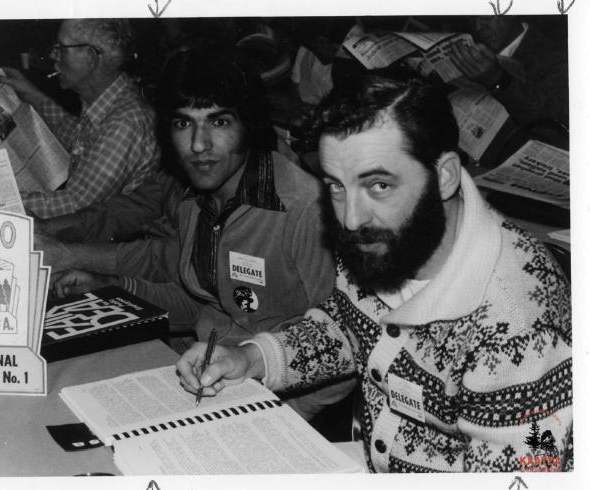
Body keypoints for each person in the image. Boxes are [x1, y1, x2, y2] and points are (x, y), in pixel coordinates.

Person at [177, 74, 572, 472]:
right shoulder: (387, 236)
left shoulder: (518, 320)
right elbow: (348, 324)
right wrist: (252, 359)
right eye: (335, 186)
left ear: (444, 176)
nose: (350, 218)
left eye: (379, 184)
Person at [48, 41, 352, 420]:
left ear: (248, 124)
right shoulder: (195, 198)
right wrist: (110, 287)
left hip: (275, 404)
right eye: (183, 123)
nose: (198, 144)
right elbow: (203, 303)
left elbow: (346, 338)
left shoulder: (303, 208)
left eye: (219, 122)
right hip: (206, 383)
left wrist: (285, 417)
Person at [0, 18, 159, 218]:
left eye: (61, 48)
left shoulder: (126, 122)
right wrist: (33, 95)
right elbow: (77, 137)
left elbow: (74, 204)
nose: (52, 54)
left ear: (91, 57)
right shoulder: (110, 99)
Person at [450, 16, 568, 128]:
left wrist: (499, 80)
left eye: (485, 17)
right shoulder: (476, 49)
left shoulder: (554, 56)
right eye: (471, 20)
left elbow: (555, 121)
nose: (478, 27)